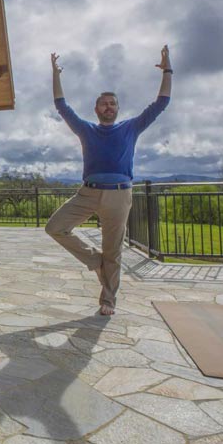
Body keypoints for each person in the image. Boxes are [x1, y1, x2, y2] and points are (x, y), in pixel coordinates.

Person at [46, 45, 173, 315]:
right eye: (103, 103)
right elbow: (61, 105)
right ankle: (95, 261)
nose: (108, 106)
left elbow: (162, 103)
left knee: (113, 252)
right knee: (55, 227)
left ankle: (108, 300)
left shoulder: (131, 127)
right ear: (96, 108)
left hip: (119, 194)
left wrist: (167, 69)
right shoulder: (86, 129)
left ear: (117, 108)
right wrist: (55, 73)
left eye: (112, 103)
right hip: (88, 193)